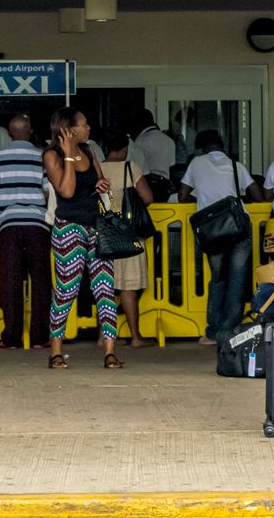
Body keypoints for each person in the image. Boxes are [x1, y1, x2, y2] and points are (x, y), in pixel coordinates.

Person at [42, 108, 121, 370]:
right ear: (70, 129)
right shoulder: (52, 155)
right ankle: (56, 350)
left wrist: (103, 188)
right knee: (66, 290)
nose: (89, 128)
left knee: (105, 291)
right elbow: (66, 190)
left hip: (97, 226)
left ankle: (109, 351)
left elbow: (100, 185)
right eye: (84, 124)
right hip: (68, 228)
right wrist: (67, 155)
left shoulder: (89, 151)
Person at [182, 129, 264, 342]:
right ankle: (230, 331)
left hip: (213, 231)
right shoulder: (236, 166)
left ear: (201, 147)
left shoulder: (196, 164)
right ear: (222, 145)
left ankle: (212, 332)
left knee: (218, 279)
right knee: (237, 280)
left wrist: (205, 200)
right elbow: (257, 194)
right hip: (238, 229)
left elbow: (182, 196)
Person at [0, 114, 52, 351]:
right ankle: (40, 337)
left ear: (10, 133)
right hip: (38, 225)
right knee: (41, 281)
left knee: (11, 280)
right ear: (31, 130)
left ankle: (11, 337)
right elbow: (47, 193)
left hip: (9, 225)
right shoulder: (42, 157)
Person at [99, 130, 154, 347]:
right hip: (128, 235)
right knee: (128, 289)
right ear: (124, 149)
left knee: (104, 287)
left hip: (103, 235)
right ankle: (135, 336)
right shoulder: (130, 168)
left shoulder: (97, 169)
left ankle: (102, 337)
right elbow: (147, 198)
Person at [133, 109, 178, 200]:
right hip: (165, 187)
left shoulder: (140, 140)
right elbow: (172, 164)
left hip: (147, 186)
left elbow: (137, 167)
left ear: (139, 123)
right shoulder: (169, 140)